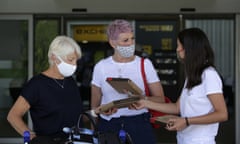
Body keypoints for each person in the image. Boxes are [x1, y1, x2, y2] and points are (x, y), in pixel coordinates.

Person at [132, 28, 228, 144]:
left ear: (190, 48)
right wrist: (145, 103)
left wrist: (186, 121)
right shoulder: (192, 76)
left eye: (179, 45)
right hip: (184, 139)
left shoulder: (209, 75)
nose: (177, 49)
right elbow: (177, 107)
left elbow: (222, 114)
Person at [91, 19, 165, 144]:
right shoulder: (101, 67)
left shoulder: (145, 64)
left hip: (139, 124)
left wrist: (142, 98)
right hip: (109, 125)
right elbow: (94, 107)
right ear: (113, 43)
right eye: (125, 40)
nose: (131, 43)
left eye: (132, 38)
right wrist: (94, 132)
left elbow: (160, 99)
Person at [7, 35, 83, 144]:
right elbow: (13, 116)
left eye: (76, 60)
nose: (74, 65)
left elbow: (74, 114)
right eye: (71, 60)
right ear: (54, 57)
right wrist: (32, 138)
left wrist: (97, 111)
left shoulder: (70, 82)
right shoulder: (36, 84)